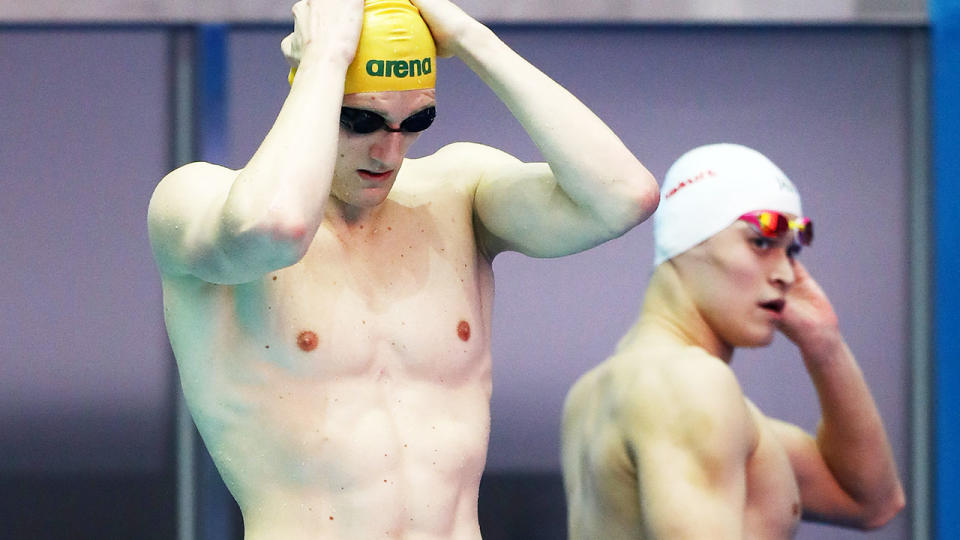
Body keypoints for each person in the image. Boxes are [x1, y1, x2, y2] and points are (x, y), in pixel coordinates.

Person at [147, 0, 659, 537]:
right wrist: (326, 57)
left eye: (415, 121)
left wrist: (470, 38)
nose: (389, 151)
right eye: (361, 119)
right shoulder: (192, 200)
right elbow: (278, 228)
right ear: (309, 93)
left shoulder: (458, 193)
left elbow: (624, 197)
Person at [561, 143, 904, 539]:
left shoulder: (604, 389)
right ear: (687, 241)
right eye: (761, 242)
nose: (788, 275)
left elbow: (871, 502)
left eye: (791, 251)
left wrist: (825, 348)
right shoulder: (688, 384)